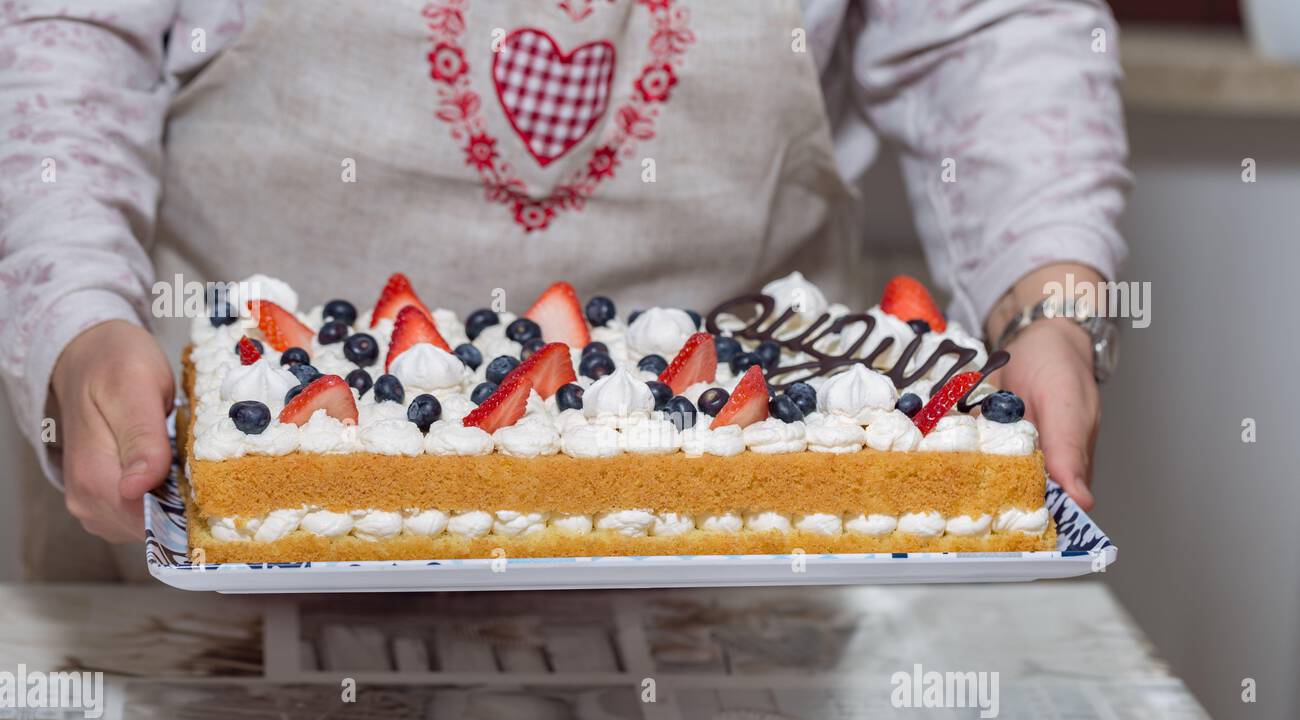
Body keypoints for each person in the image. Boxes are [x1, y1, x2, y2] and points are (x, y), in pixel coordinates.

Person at [0, 0, 1128, 575]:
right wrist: (76, 322)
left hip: (740, 557)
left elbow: (987, 31)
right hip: (215, 533)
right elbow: (62, 30)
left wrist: (1046, 302)